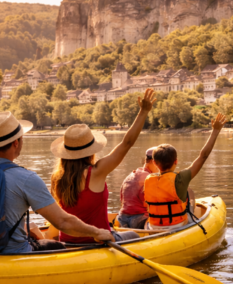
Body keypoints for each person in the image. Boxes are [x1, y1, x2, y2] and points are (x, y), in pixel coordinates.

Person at [0, 111, 114, 253]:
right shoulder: (26, 178)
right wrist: (97, 232)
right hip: (12, 252)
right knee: (57, 247)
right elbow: (63, 222)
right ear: (16, 142)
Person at [50, 88, 157, 244]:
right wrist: (143, 112)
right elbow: (126, 143)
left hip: (67, 241)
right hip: (98, 240)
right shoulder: (97, 172)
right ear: (90, 151)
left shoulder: (56, 177)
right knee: (133, 235)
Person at [144, 113, 227, 230]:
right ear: (176, 161)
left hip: (153, 226)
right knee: (189, 198)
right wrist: (215, 131)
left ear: (154, 163)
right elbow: (203, 156)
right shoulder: (181, 178)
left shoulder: (148, 180)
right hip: (177, 225)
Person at [116, 147, 159, 229]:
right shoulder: (149, 178)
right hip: (139, 220)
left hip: (122, 219)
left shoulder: (130, 175)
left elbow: (121, 199)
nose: (160, 168)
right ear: (153, 162)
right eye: (159, 164)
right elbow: (149, 204)